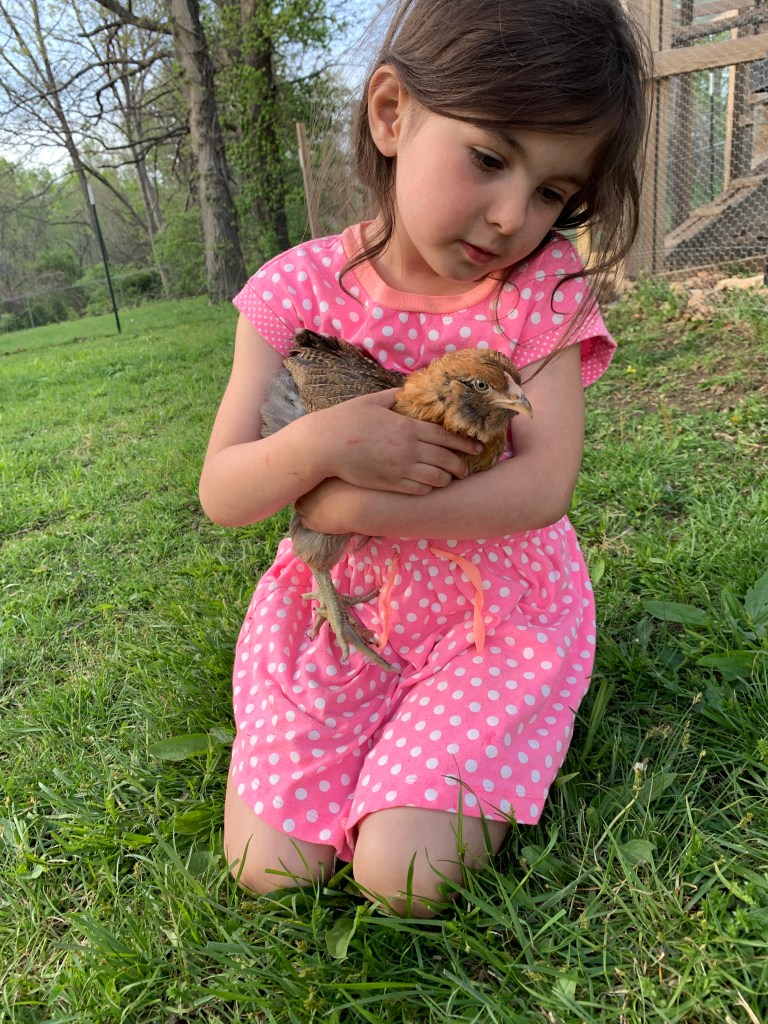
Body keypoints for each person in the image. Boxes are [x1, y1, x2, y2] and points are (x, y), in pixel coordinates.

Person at [199, 0, 649, 916]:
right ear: (393, 113)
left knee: (404, 877)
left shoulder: (543, 291)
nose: (513, 215)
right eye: (489, 157)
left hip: (494, 610)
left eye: (556, 191)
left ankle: (469, 734)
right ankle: (365, 734)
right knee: (271, 869)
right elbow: (223, 488)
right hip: (347, 608)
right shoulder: (294, 291)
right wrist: (322, 444)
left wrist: (346, 507)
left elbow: (542, 486)